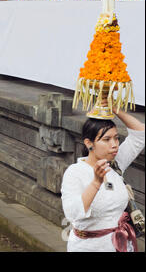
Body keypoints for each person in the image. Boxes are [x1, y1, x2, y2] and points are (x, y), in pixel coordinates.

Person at [61, 105, 145, 252]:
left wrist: (114, 109)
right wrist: (96, 183)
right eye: (106, 139)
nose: (114, 145)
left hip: (122, 245)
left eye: (116, 138)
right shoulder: (74, 172)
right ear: (89, 143)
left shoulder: (115, 164)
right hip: (88, 247)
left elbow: (141, 133)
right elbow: (72, 213)